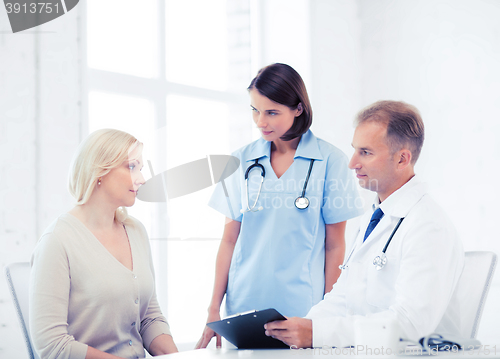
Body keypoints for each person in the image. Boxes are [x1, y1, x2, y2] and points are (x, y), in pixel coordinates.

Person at [264, 100, 465, 348]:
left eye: (366, 153)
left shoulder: (428, 225)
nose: (352, 163)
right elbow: (342, 297)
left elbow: (411, 324)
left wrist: (320, 334)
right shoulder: (376, 216)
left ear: (402, 159)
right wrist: (301, 329)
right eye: (355, 150)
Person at [196, 63, 363, 348]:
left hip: (302, 313)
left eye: (272, 112)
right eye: (255, 110)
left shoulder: (330, 161)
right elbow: (229, 240)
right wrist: (214, 308)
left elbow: (335, 246)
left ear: (298, 109)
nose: (261, 121)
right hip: (243, 309)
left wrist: (325, 318)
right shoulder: (240, 162)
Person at [29, 129, 178, 359]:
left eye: (140, 169)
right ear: (99, 170)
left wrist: (176, 357)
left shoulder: (136, 231)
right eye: (131, 167)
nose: (141, 179)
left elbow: (149, 317)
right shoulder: (57, 241)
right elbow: (51, 345)